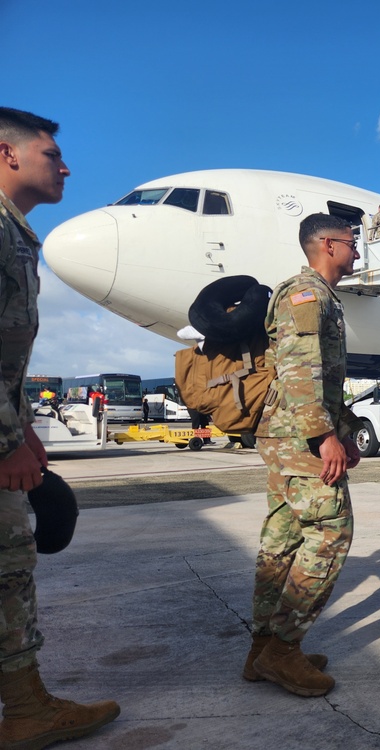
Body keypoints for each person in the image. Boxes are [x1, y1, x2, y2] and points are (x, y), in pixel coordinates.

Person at [0, 107, 119, 746]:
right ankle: (25, 712)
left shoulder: (13, 234)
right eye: (52, 154)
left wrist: (24, 424)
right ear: (7, 154)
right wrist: (6, 441)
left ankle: (25, 705)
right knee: (8, 571)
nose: (66, 165)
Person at [246, 213, 363, 695]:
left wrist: (346, 425)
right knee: (331, 532)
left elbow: (325, 378)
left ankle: (261, 652)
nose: (357, 253)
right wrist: (322, 436)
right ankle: (283, 650)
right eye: (353, 244)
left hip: (289, 433)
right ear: (330, 245)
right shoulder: (307, 294)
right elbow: (298, 370)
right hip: (298, 437)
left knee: (284, 537)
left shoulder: (321, 295)